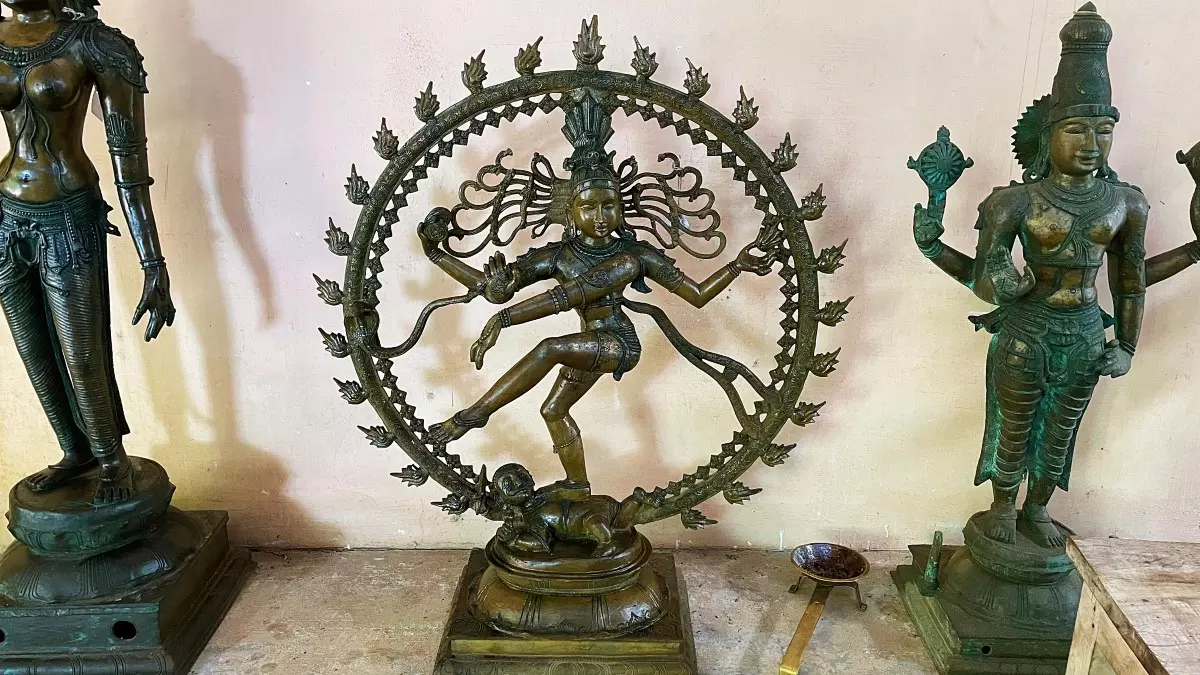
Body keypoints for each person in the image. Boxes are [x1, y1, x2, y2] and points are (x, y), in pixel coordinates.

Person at [0, 0, 174, 503]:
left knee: (82, 354)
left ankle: (111, 459)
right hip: (6, 215)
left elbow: (130, 165)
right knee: (33, 349)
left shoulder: (96, 45)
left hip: (67, 214)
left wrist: (153, 263)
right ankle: (73, 451)